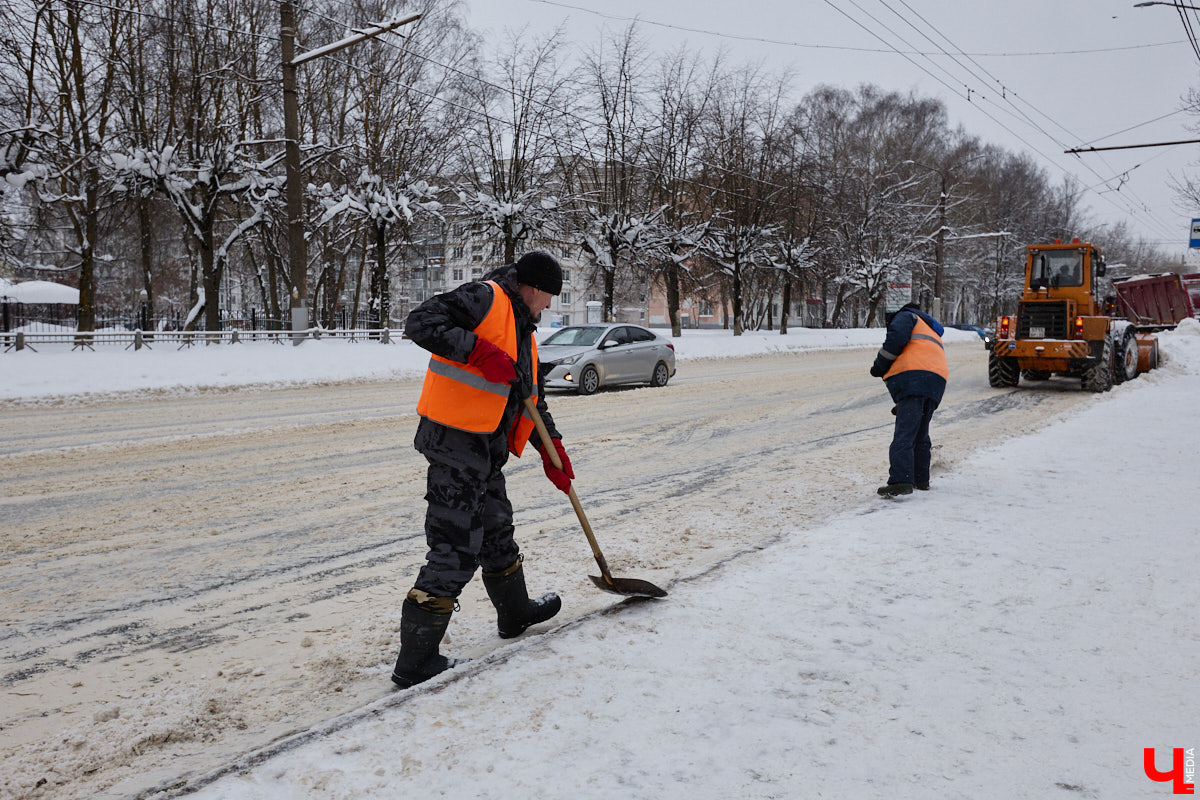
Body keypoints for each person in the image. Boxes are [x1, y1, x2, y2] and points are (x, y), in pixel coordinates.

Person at [391, 250, 574, 688]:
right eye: (547, 296)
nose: (548, 305)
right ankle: (415, 661)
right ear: (532, 288)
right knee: (456, 547)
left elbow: (530, 398)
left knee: (496, 530)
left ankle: (514, 613)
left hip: (486, 448)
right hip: (455, 444)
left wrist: (554, 449)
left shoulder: (524, 330)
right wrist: (476, 351)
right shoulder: (483, 298)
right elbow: (420, 322)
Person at [869, 302, 949, 497]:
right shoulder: (929, 327)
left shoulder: (906, 316)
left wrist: (879, 366)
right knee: (921, 433)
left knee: (905, 433)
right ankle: (921, 479)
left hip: (914, 378)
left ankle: (901, 479)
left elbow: (896, 340)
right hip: (936, 381)